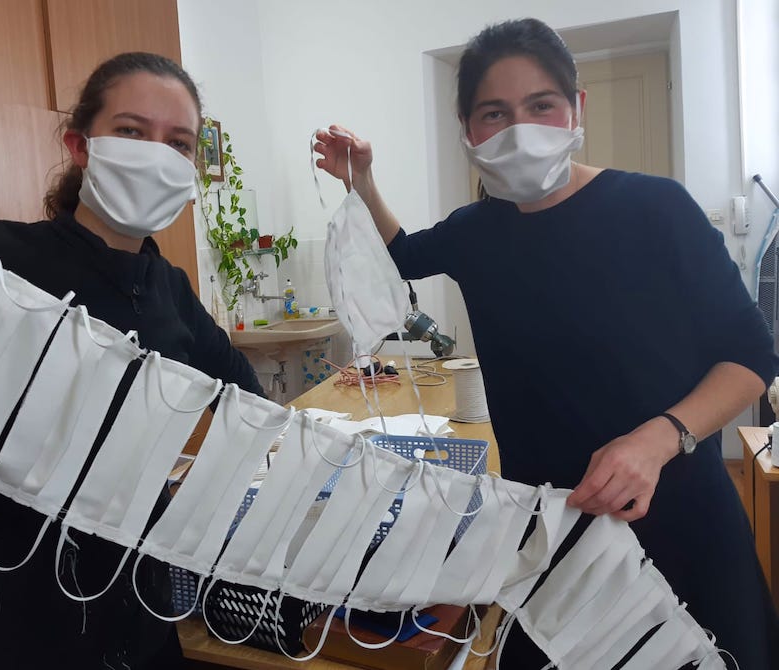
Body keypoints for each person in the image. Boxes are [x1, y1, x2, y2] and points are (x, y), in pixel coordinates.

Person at [315, 17, 779, 669]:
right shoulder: (476, 232)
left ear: (575, 109)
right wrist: (360, 179)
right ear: (468, 131)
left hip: (680, 522)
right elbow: (404, 254)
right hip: (552, 532)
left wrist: (658, 438)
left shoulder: (656, 210)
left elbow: (752, 355)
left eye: (541, 106)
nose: (519, 130)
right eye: (493, 113)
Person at [0, 52, 263, 669]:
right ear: (80, 145)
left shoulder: (170, 288)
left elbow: (248, 398)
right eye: (131, 132)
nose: (156, 155)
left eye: (178, 143)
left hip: (132, 608)